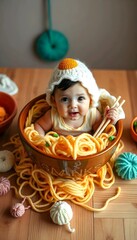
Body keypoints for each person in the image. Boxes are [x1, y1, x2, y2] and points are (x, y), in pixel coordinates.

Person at [34, 58, 125, 136]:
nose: (73, 105)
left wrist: (110, 121)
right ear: (54, 101)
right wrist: (41, 140)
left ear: (90, 99)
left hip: (87, 154)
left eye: (80, 98)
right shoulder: (53, 116)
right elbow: (39, 126)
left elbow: (102, 134)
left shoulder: (92, 115)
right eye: (65, 99)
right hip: (58, 155)